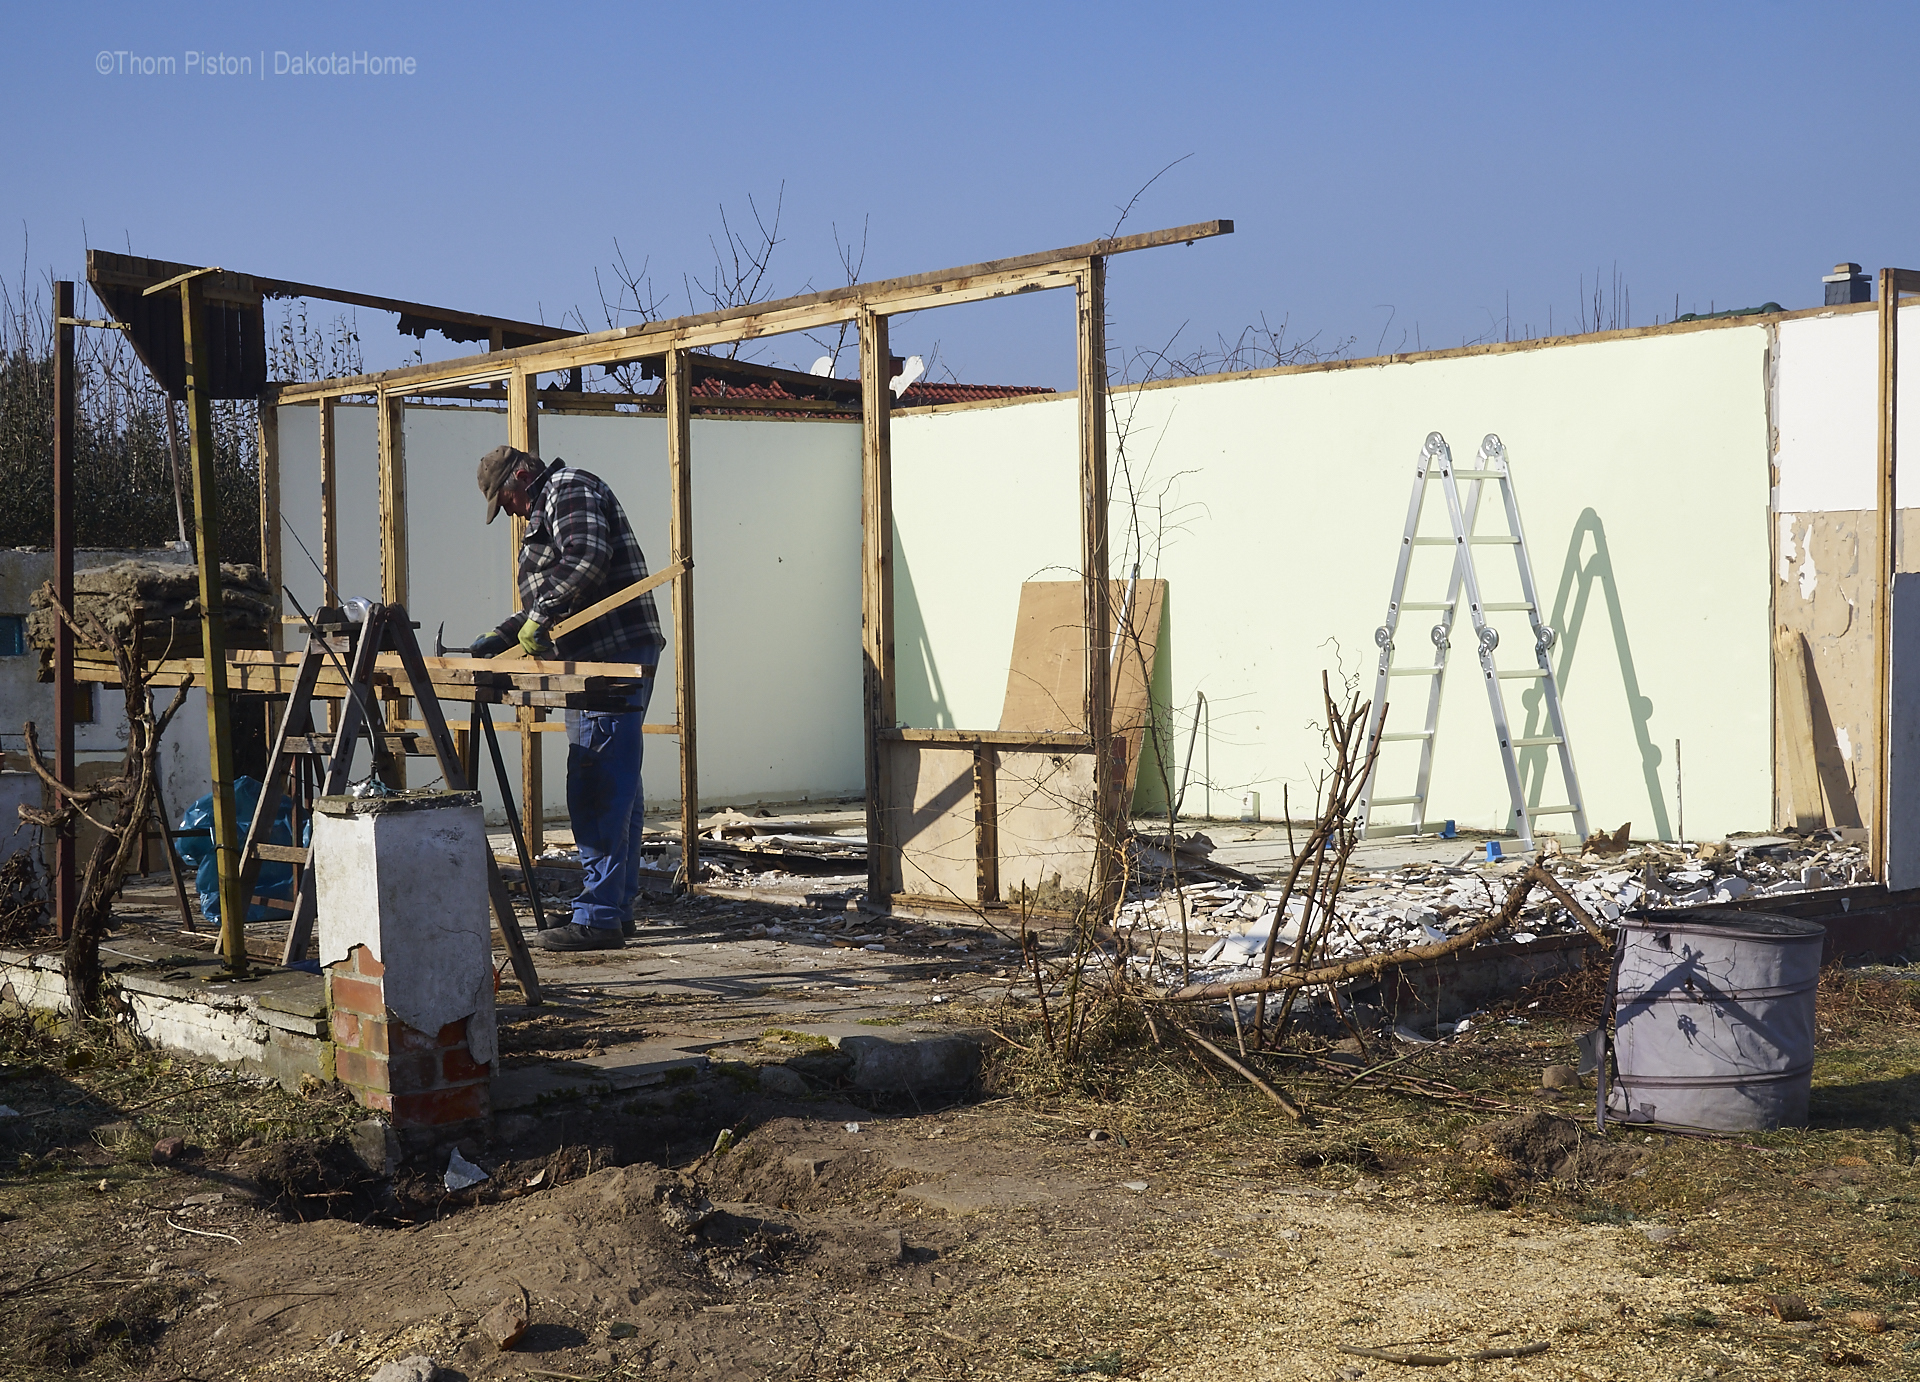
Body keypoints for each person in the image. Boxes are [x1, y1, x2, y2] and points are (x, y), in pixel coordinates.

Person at [473, 444, 665, 951]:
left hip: (609, 659)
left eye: (506, 499)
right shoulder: (557, 497)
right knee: (617, 782)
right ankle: (612, 909)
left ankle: (599, 917)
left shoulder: (567, 487)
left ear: (522, 476)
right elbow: (561, 595)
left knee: (597, 779)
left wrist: (538, 616)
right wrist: (507, 633)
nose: (511, 513)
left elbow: (586, 560)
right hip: (603, 653)